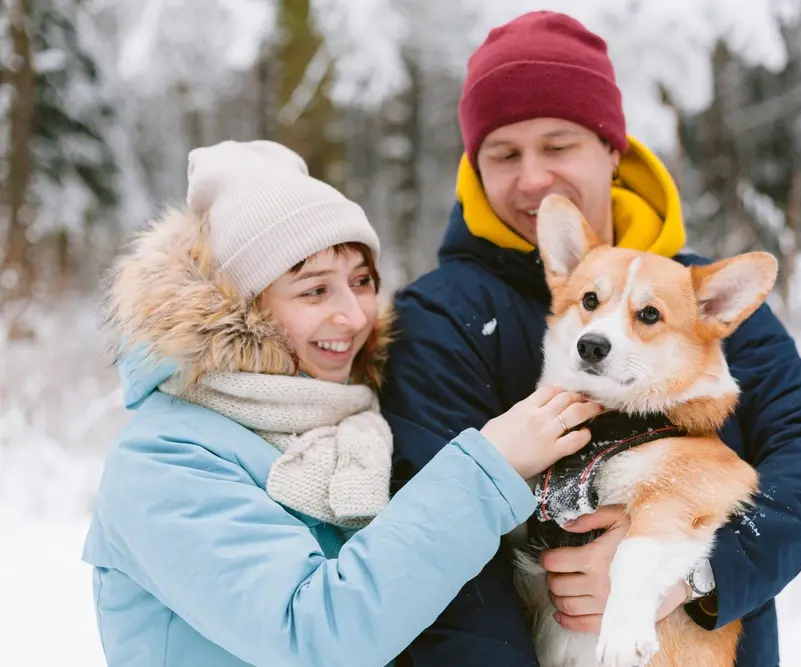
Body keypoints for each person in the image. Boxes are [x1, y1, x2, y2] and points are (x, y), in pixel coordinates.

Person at [380, 11, 801, 667]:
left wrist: (692, 570)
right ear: (473, 166)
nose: (532, 178)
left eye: (557, 146)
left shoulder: (697, 302)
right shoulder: (440, 319)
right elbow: (443, 560)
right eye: (504, 153)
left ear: (612, 149)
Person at [80, 139, 601, 667]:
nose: (353, 316)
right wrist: (489, 470)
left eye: (361, 282)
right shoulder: (164, 461)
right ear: (240, 307)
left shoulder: (362, 420)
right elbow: (314, 636)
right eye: (313, 291)